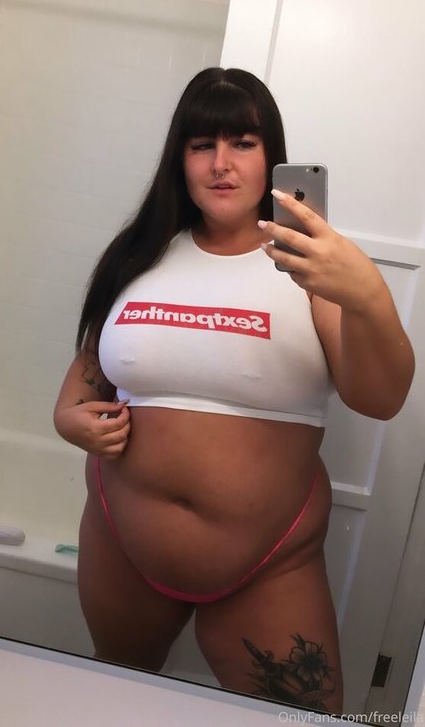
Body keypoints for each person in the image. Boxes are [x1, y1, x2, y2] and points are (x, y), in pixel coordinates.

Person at [53, 67, 414, 714]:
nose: (221, 163)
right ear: (180, 158)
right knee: (114, 699)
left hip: (269, 563)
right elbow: (91, 369)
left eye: (243, 143)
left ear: (271, 156)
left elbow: (381, 398)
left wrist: (367, 295)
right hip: (120, 540)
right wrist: (67, 419)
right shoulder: (140, 254)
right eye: (202, 144)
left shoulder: (310, 264)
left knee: (304, 718)